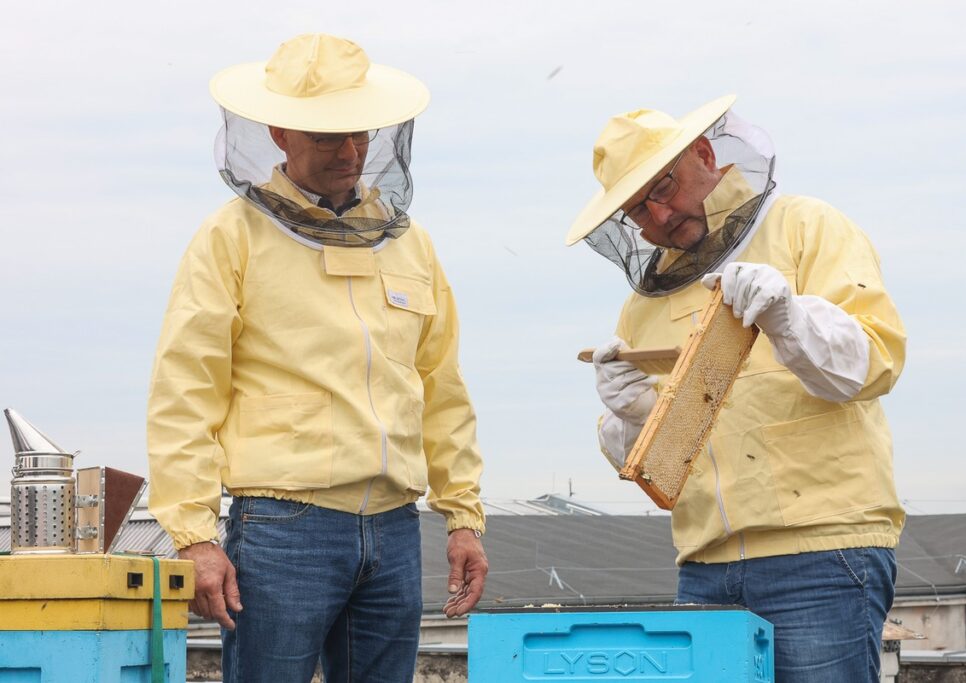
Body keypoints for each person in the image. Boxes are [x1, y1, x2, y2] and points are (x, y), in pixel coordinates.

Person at [147, 34, 487, 683]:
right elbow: (185, 387)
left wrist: (463, 516)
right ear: (279, 131)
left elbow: (441, 386)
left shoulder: (411, 245)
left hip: (393, 528)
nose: (350, 151)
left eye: (357, 133)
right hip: (281, 524)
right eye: (328, 136)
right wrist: (193, 533)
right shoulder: (231, 236)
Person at [566, 95, 906, 682]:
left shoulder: (805, 226)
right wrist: (632, 417)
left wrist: (789, 316)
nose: (658, 216)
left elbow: (874, 362)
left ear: (704, 153)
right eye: (636, 210)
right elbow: (660, 473)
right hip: (705, 566)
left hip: (823, 552)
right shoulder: (642, 305)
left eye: (664, 188)